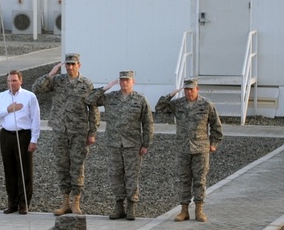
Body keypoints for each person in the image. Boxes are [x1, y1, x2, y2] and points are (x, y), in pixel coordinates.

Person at [33, 54, 99, 216]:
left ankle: (76, 201)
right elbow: (37, 89)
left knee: (77, 166)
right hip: (60, 130)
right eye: (67, 64)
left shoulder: (86, 84)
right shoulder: (57, 81)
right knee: (62, 166)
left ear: (79, 65)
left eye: (73, 64)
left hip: (79, 132)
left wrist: (92, 132)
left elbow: (94, 109)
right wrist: (50, 74)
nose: (70, 67)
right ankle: (65, 201)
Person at [87, 70, 154, 220]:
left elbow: (148, 123)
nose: (124, 83)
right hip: (114, 144)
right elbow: (89, 100)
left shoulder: (140, 100)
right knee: (115, 175)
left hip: (133, 144)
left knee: (131, 175)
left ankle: (131, 205)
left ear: (133, 82)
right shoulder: (110, 98)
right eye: (122, 80)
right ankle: (119, 205)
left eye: (127, 80)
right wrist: (106, 87)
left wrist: (146, 143)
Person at [155, 78, 223, 222]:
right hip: (183, 148)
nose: (189, 92)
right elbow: (159, 107)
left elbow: (216, 125)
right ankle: (184, 210)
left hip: (200, 148)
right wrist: (172, 94)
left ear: (197, 89)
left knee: (199, 180)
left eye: (191, 89)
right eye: (186, 89)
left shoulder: (206, 105)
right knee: (184, 180)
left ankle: (199, 209)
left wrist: (214, 143)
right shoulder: (178, 104)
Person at [0, 70, 40, 214]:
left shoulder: (29, 96)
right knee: (9, 170)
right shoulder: (1, 97)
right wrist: (7, 110)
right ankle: (12, 203)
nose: (12, 84)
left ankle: (24, 204)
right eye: (9, 81)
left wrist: (34, 139)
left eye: (14, 81)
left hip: (23, 135)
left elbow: (36, 119)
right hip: (6, 135)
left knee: (24, 170)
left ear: (20, 81)